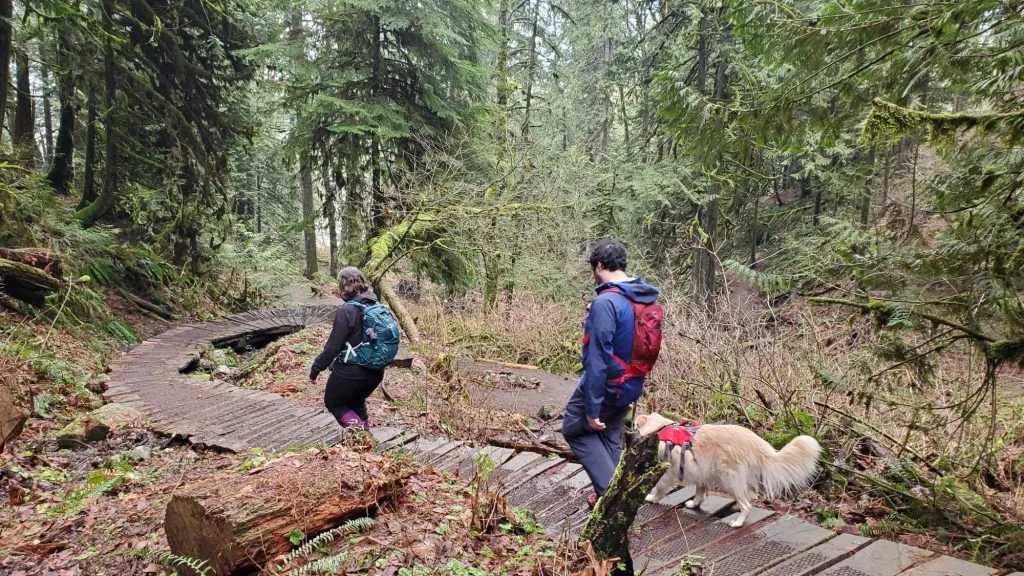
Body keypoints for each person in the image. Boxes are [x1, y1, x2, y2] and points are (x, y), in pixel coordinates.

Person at [561, 239, 661, 507]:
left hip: (608, 384)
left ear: (599, 265)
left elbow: (598, 357)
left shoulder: (606, 302)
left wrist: (592, 407)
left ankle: (614, 498)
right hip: (631, 383)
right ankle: (614, 491)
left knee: (574, 429)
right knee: (609, 435)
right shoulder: (639, 295)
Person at [309, 267, 386, 429]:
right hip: (376, 371)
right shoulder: (376, 306)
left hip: (352, 373)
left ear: (344, 286)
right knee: (356, 401)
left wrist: (316, 369)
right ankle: (364, 435)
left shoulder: (347, 311)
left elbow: (332, 348)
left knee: (335, 403)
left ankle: (362, 436)